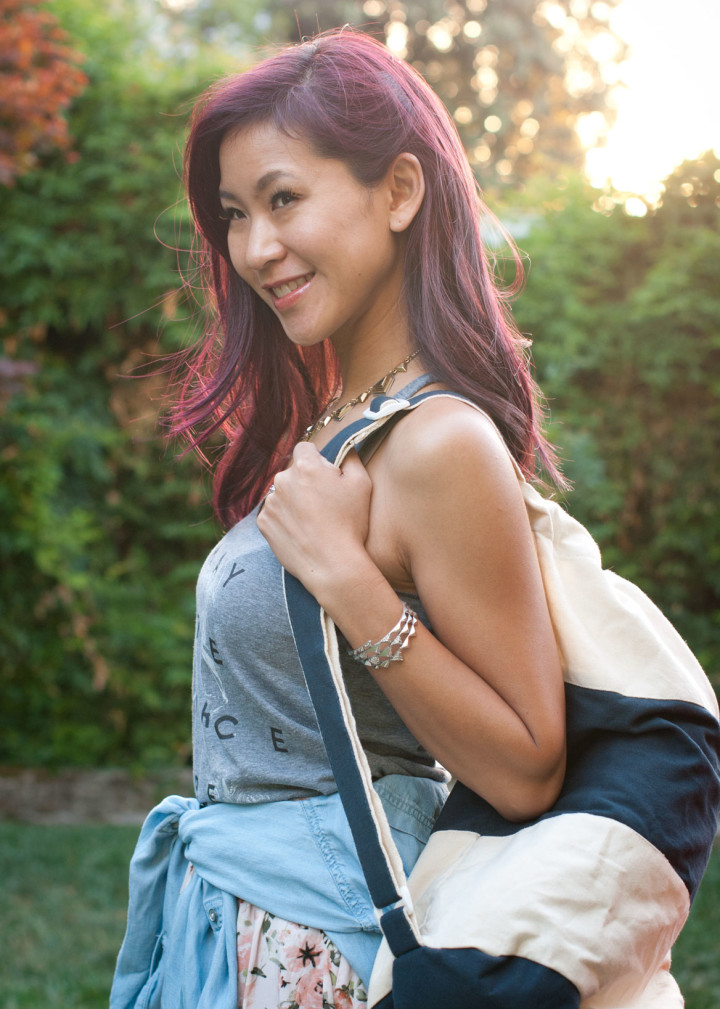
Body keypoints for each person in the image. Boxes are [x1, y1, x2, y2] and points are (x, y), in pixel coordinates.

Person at [111, 28, 567, 1009]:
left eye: (283, 199)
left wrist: (350, 584)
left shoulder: (439, 440)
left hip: (332, 953)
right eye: (235, 215)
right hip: (245, 931)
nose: (253, 248)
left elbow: (529, 766)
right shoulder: (337, 428)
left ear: (399, 191)